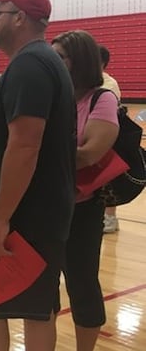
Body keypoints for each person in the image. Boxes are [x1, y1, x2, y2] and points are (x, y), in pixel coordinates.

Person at [0, 0, 75, 350]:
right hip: (38, 216)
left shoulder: (31, 65)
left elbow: (25, 145)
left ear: (19, 19)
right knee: (38, 310)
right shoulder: (40, 61)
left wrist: (0, 219)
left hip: (22, 221)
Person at [52, 30, 119, 351]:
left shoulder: (101, 98)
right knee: (43, 286)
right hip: (45, 207)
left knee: (81, 284)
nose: (53, 62)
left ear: (79, 61)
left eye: (60, 56)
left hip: (81, 208)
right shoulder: (52, 97)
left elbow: (91, 153)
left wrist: (35, 153)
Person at [99, 45, 122, 234]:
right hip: (93, 138)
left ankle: (110, 218)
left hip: (107, 140)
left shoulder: (108, 84)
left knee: (108, 181)